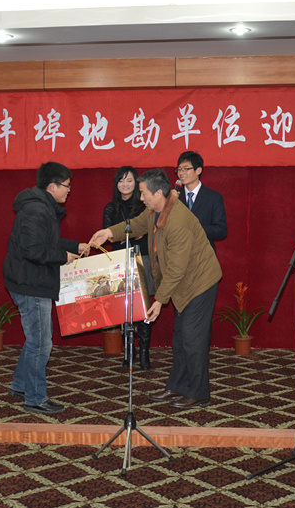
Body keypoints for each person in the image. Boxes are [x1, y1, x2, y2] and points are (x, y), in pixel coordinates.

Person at [91, 169, 222, 409]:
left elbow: (176, 269)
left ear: (159, 193)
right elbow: (137, 225)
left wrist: (159, 301)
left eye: (143, 193)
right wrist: (109, 232)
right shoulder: (156, 210)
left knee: (193, 339)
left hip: (199, 283)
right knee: (181, 338)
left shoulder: (178, 221)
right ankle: (177, 387)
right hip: (183, 283)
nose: (141, 198)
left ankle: (198, 393)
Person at [3, 162, 88, 415]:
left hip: (31, 280)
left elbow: (46, 241)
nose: (69, 191)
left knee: (35, 339)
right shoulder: (36, 210)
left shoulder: (41, 206)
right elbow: (33, 249)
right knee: (41, 343)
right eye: (66, 186)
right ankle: (35, 398)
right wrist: (64, 257)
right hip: (31, 284)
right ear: (52, 186)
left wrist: (75, 245)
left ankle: (20, 385)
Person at [102, 166, 155, 370]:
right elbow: (110, 236)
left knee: (144, 307)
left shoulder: (144, 205)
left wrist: (132, 234)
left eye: (129, 180)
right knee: (124, 308)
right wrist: (133, 234)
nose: (125, 184)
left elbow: (149, 231)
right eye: (121, 180)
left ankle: (145, 353)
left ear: (136, 183)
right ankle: (129, 352)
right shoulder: (110, 208)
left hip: (143, 259)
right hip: (120, 261)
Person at [176, 151, 227, 251]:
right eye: (179, 169)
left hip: (203, 254)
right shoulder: (174, 197)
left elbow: (221, 231)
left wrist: (195, 228)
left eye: (186, 169)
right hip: (178, 253)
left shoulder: (213, 197)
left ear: (198, 170)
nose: (181, 173)